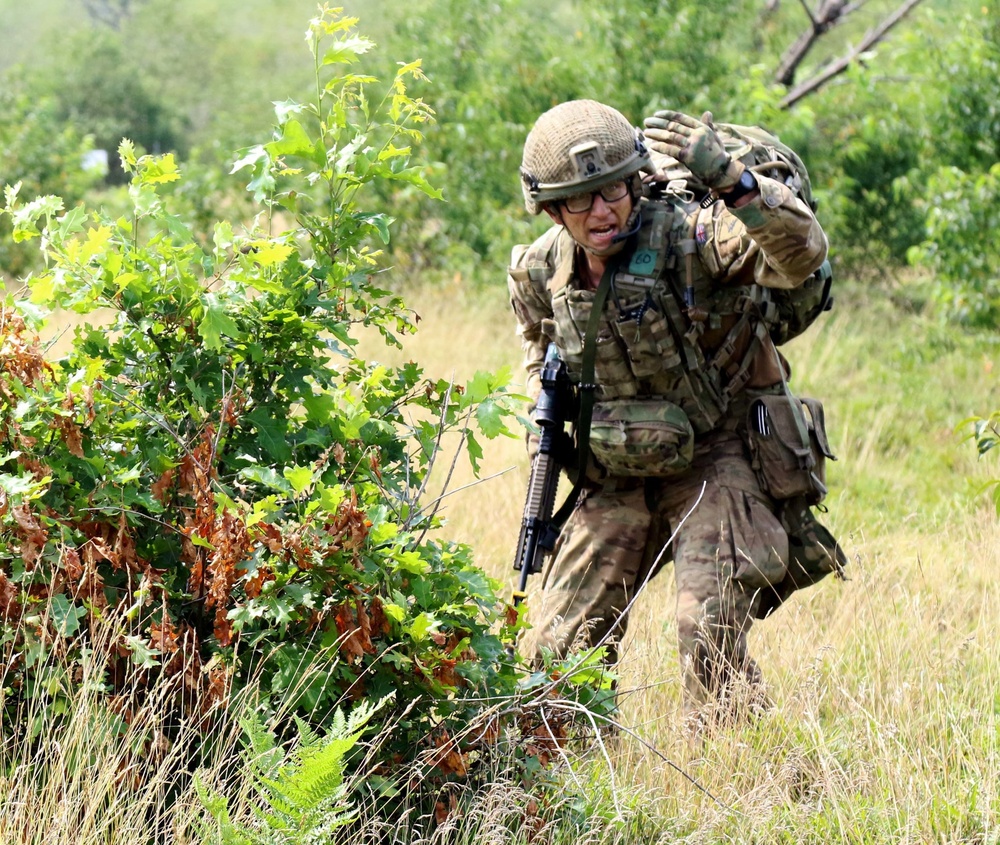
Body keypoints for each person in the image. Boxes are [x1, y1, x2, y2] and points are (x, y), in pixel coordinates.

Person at [506, 99, 846, 731]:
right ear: (552, 208)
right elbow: (538, 345)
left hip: (718, 451)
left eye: (613, 190)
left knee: (705, 628)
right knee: (558, 653)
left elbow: (800, 255)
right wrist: (541, 424)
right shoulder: (539, 270)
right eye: (580, 200)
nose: (602, 211)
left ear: (634, 180)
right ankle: (566, 793)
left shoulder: (692, 235)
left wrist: (736, 183)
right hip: (616, 467)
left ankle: (742, 771)